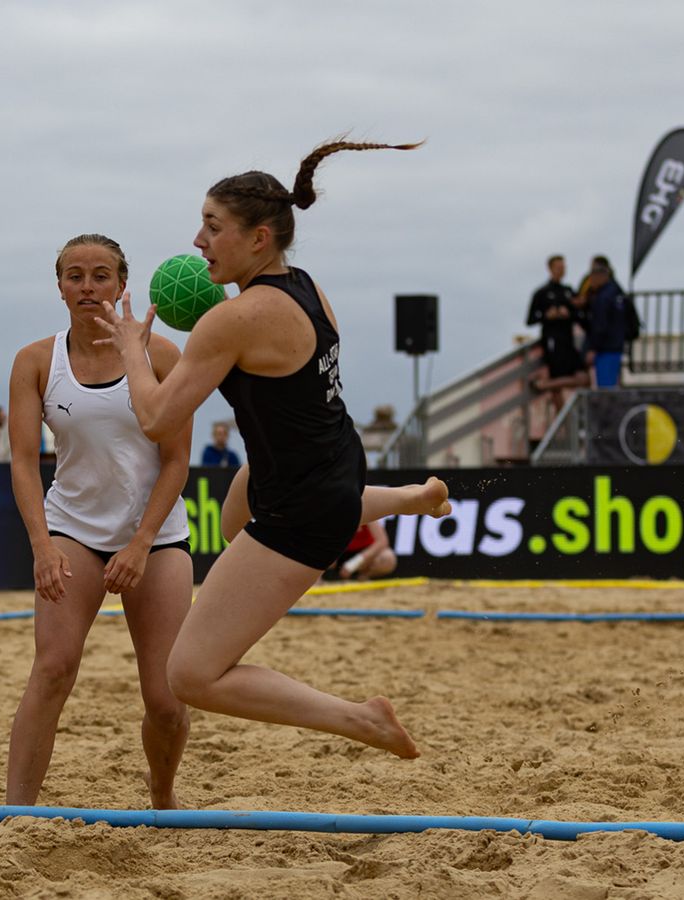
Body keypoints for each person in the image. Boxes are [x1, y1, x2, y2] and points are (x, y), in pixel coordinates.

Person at [95, 139, 456, 766]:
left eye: (212, 227)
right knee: (238, 516)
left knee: (191, 676)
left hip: (303, 503)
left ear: (258, 238)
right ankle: (412, 497)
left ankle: (359, 718)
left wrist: (132, 345)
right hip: (331, 464)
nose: (198, 240)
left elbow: (156, 419)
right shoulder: (306, 287)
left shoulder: (234, 320)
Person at [5, 233, 195, 809]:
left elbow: (177, 460)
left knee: (165, 697)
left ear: (121, 284)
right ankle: (17, 814)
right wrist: (41, 545)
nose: (88, 287)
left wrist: (139, 544)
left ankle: (162, 799)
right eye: (75, 276)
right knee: (54, 669)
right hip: (74, 528)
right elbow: (21, 460)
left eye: (101, 275)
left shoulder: (161, 355)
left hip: (155, 536)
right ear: (59, 285)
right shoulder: (37, 361)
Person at [528, 254, 590, 410]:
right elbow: (530, 320)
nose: (562, 270)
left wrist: (569, 313)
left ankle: (543, 385)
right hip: (552, 342)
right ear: (550, 269)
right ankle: (564, 425)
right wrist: (547, 316)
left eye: (563, 267)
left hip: (568, 340)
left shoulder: (568, 291)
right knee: (557, 385)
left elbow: (580, 316)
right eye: (558, 267)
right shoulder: (541, 293)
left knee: (583, 378)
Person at [584, 258, 634, 389]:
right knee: (611, 385)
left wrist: (593, 347)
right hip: (615, 345)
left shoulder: (604, 297)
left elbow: (601, 325)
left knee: (606, 390)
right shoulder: (617, 292)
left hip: (606, 349)